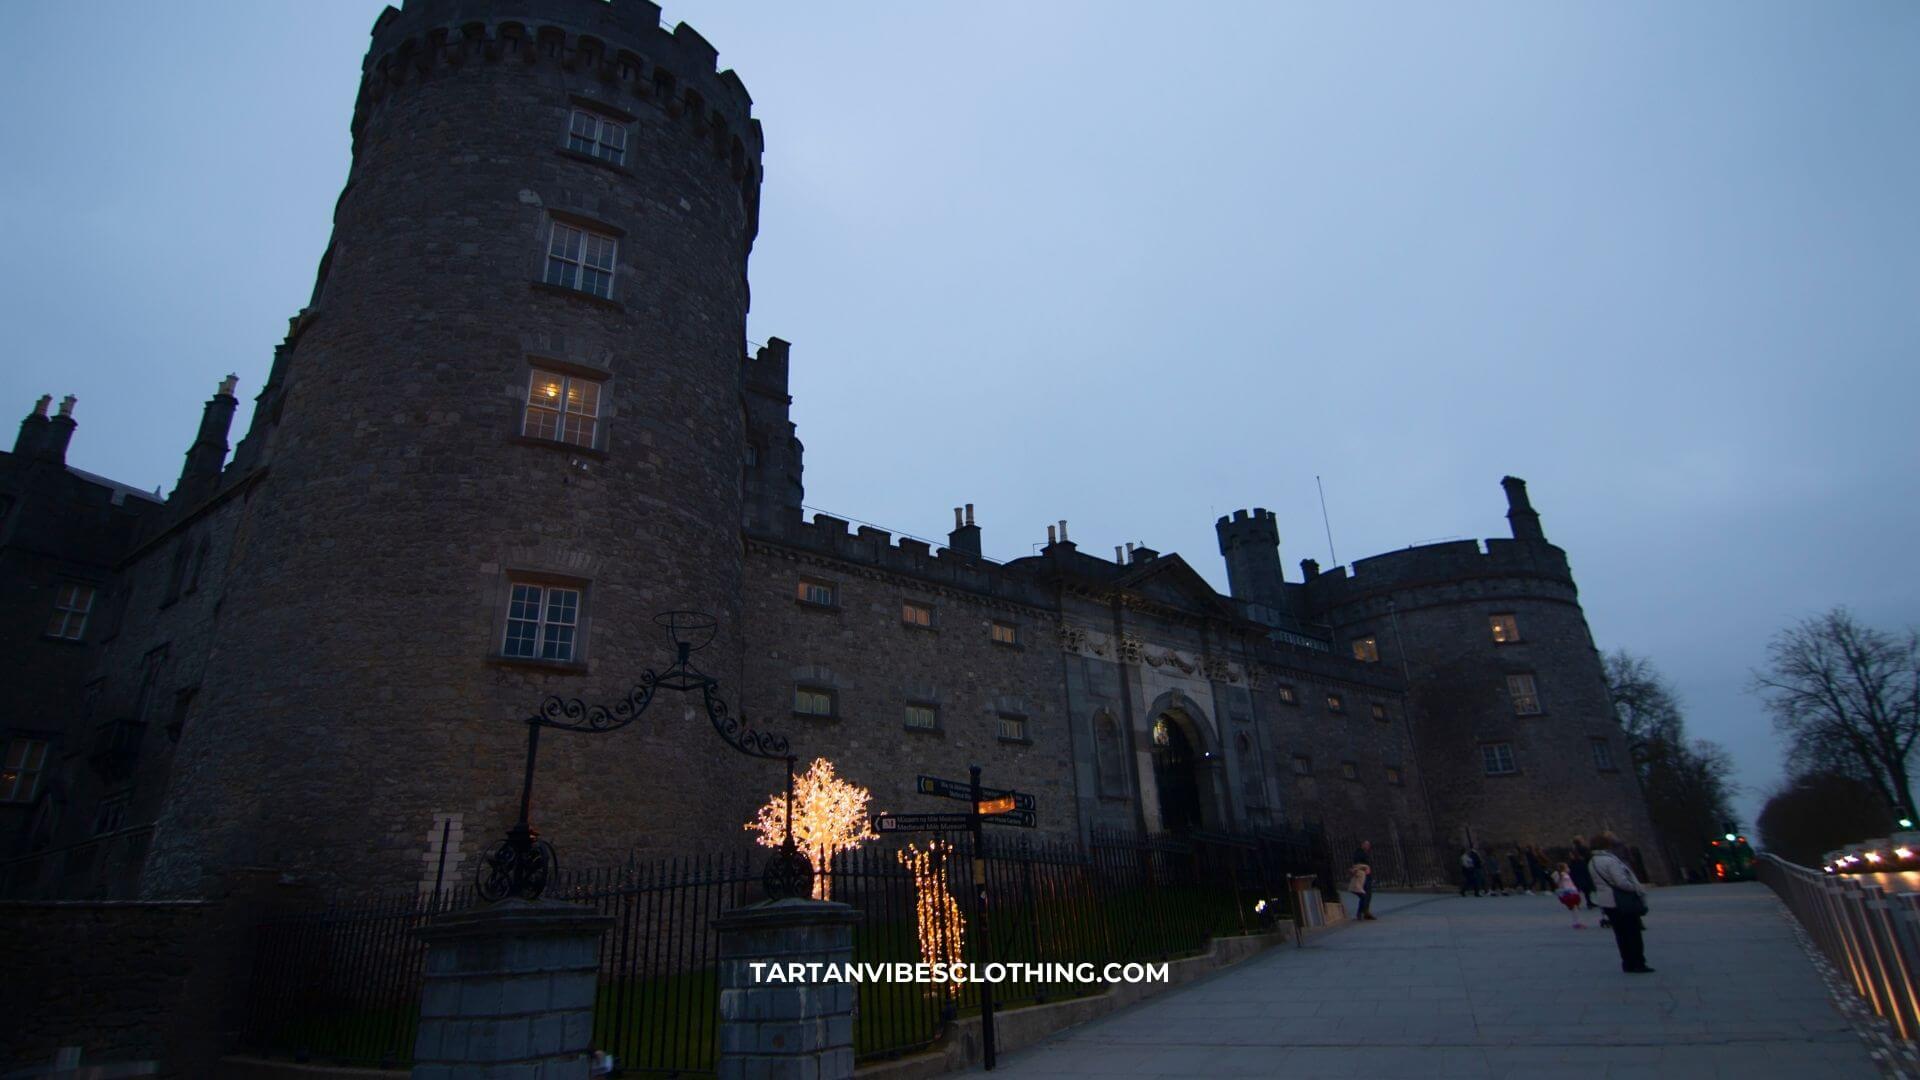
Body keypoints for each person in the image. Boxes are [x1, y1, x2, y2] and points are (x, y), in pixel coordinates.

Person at [1589, 831, 1653, 973]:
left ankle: (1627, 962)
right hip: (1620, 900)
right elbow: (1621, 881)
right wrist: (1635, 888)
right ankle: (1638, 962)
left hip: (1607, 901)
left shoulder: (1592, 862)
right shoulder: (1609, 860)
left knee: (1621, 934)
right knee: (1633, 932)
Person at [1552, 862, 1585, 928]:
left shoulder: (1558, 875)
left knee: (1573, 908)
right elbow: (1568, 886)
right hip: (1570, 894)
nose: (1568, 869)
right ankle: (1577, 923)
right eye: (1567, 867)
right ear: (1563, 869)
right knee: (1575, 909)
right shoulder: (1565, 876)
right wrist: (1575, 890)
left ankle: (1576, 922)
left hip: (1564, 895)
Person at [1350, 840, 1377, 920]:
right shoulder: (1359, 853)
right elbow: (1357, 865)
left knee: (1367, 895)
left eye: (1368, 845)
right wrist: (1365, 867)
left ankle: (1364, 912)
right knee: (1364, 895)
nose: (1368, 846)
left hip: (1366, 876)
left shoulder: (1364, 853)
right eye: (1366, 845)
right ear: (1362, 845)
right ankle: (1362, 912)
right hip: (1362, 876)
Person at [1569, 838, 1597, 909]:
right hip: (1583, 867)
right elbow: (1589, 856)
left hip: (1575, 868)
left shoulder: (1573, 849)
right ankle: (1588, 902)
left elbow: (1571, 859)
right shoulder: (1583, 849)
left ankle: (1575, 903)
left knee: (1577, 887)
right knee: (1586, 887)